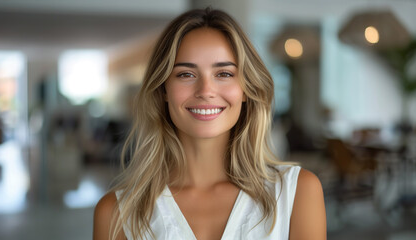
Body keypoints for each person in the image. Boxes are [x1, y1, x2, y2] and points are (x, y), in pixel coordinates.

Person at [93, 8, 326, 240]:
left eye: (224, 73)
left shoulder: (297, 194)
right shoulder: (115, 213)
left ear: (246, 89)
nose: (205, 91)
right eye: (186, 74)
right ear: (163, 89)